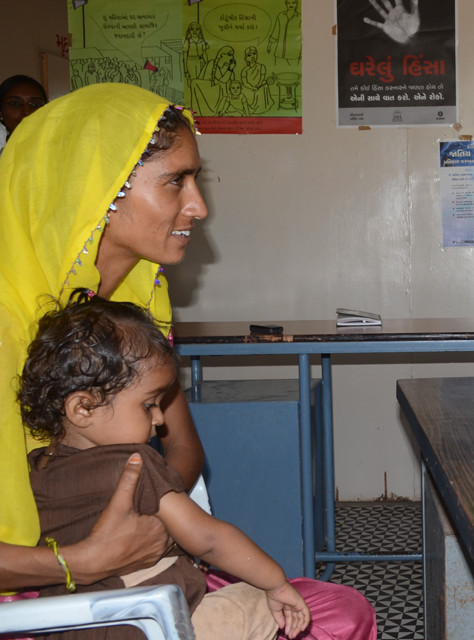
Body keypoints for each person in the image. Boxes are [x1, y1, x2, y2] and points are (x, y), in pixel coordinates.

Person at [0, 83, 376, 639]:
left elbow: (182, 445)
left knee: (339, 613)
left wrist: (149, 520)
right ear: (95, 191)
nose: (199, 206)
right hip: (34, 597)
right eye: (176, 181)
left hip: (141, 562)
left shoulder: (133, 309)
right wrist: (78, 560)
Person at [21, 292, 310, 639]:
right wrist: (277, 583)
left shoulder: (34, 470)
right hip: (150, 626)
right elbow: (209, 539)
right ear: (83, 408)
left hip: (65, 627)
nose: (159, 418)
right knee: (258, 601)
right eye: (148, 405)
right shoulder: (131, 463)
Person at [0, 75, 47, 153]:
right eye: (15, 103)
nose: (27, 111)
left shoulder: (64, 154)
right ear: (1, 112)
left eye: (35, 104)